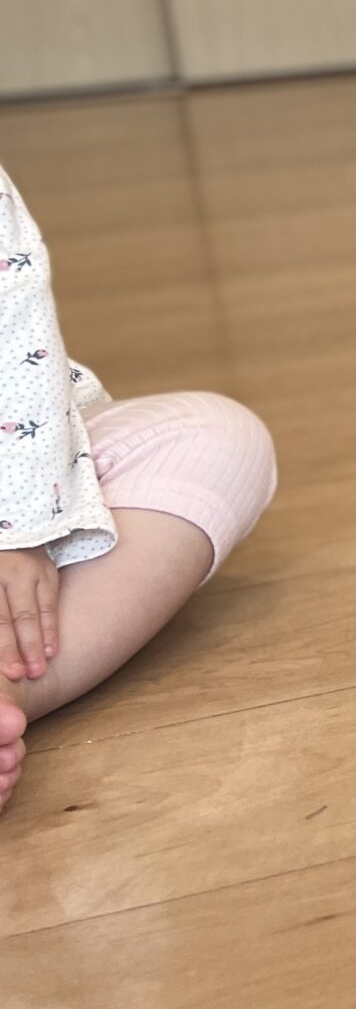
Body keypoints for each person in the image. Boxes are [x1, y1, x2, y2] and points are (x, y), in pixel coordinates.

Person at [0, 161, 276, 814]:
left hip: (26, 478)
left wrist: (20, 522)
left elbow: (13, 338)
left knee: (217, 436)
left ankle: (12, 683)